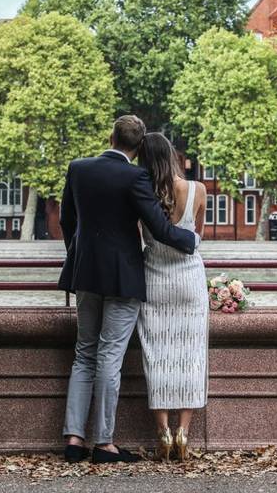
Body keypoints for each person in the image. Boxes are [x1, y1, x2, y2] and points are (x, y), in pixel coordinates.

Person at [57, 115, 199, 464]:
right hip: (123, 278)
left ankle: (74, 439)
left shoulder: (78, 168)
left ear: (111, 136)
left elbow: (66, 220)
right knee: (109, 356)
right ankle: (104, 443)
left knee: (84, 352)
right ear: (137, 149)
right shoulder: (136, 176)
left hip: (85, 273)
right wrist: (192, 239)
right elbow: (160, 229)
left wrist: (79, 255)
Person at [135, 132, 208, 462]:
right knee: (191, 353)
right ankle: (184, 431)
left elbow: (140, 236)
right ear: (173, 155)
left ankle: (163, 430)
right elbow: (197, 237)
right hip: (189, 278)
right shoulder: (197, 190)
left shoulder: (142, 194)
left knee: (157, 351)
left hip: (155, 278)